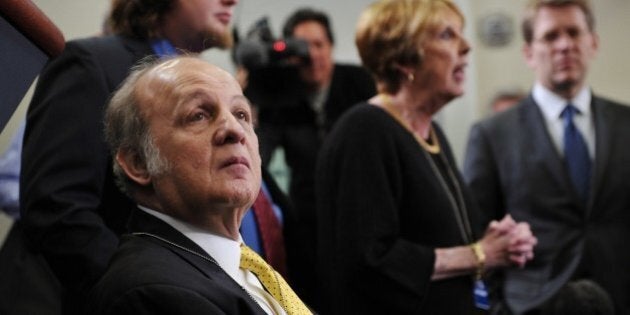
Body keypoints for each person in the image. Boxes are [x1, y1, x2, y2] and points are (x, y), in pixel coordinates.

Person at [315, 0, 537, 314]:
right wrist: (480, 255)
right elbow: (368, 260)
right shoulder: (365, 130)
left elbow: (445, 239)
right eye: (448, 35)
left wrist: (501, 242)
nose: (466, 47)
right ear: (405, 57)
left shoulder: (430, 132)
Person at [19, 0, 238, 313]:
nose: (233, 0)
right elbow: (56, 206)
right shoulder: (92, 63)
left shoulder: (223, 94)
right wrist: (160, 289)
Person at [87, 56, 311, 315]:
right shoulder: (152, 293)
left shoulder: (244, 266)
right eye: (199, 116)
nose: (234, 129)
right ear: (139, 163)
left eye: (241, 114)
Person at [463, 0, 630, 313]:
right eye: (551, 36)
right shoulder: (492, 135)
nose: (564, 45)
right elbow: (477, 232)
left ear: (592, 43)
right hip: (534, 304)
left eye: (574, 33)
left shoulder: (625, 123)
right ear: (528, 52)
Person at [245, 7, 376, 305]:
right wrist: (248, 102)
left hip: (363, 215)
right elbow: (258, 156)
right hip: (309, 223)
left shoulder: (359, 82)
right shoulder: (279, 94)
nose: (312, 55)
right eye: (303, 47)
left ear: (331, 47)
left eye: (319, 45)